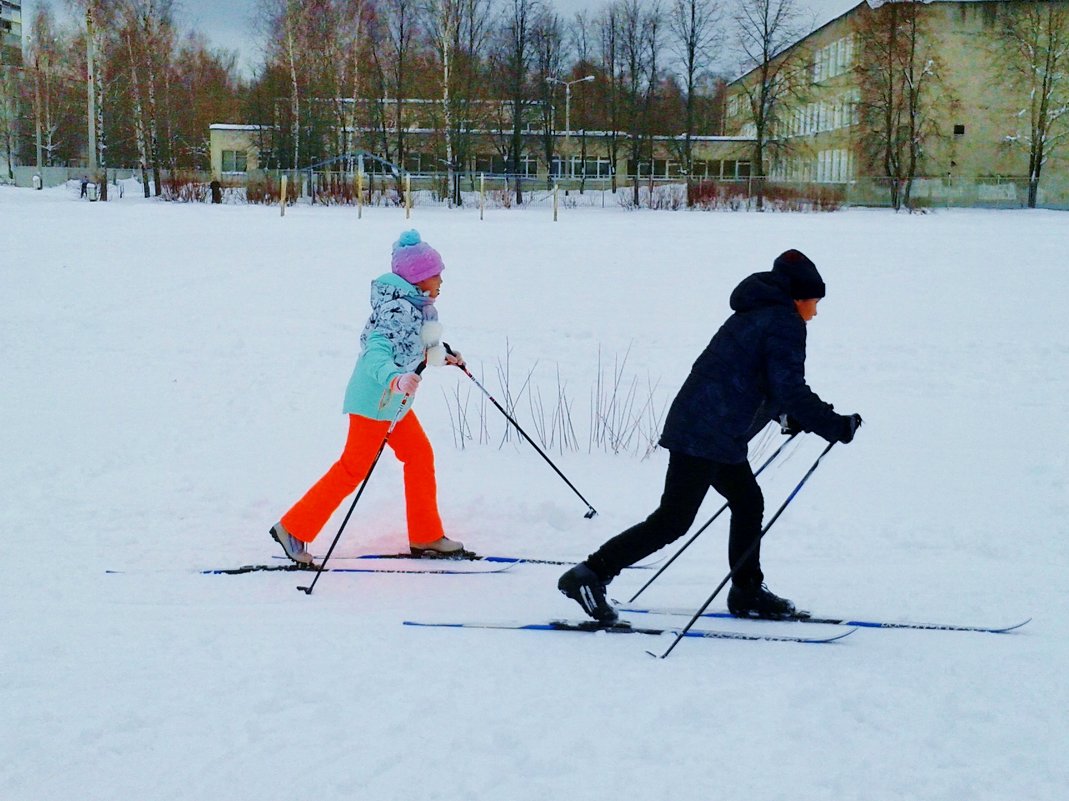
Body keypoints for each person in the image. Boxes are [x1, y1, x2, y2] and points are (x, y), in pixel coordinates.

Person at [558, 250, 862, 623]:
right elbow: (789, 387)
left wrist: (787, 415)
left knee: (748, 501)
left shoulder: (755, 313)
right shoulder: (783, 322)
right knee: (673, 520)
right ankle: (589, 575)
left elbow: (752, 377)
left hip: (714, 428)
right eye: (814, 302)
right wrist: (833, 424)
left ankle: (747, 590)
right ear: (798, 298)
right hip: (705, 431)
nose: (815, 312)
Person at [270, 230, 467, 566]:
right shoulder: (396, 311)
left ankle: (426, 534)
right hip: (374, 401)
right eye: (437, 274)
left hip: (395, 405)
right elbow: (376, 353)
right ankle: (292, 528)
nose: (442, 281)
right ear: (419, 278)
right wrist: (396, 379)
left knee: (419, 456)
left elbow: (413, 345)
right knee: (352, 468)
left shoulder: (418, 309)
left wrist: (442, 354)